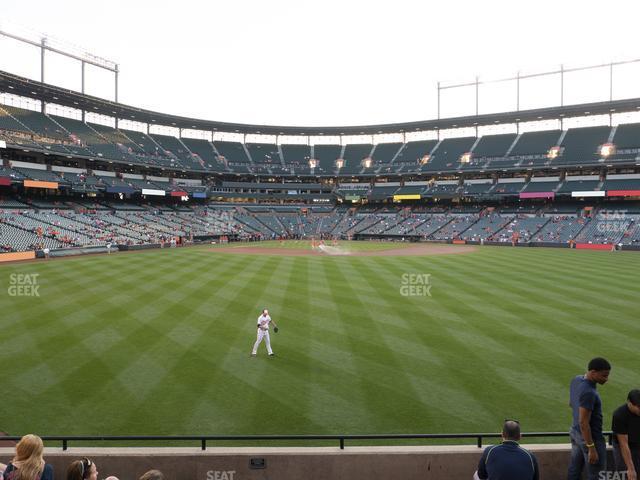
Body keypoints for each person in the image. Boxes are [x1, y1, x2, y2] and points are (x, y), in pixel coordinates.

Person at [568, 357, 611, 480]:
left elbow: (571, 403)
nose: (606, 379)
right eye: (604, 376)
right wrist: (591, 447)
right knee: (597, 475)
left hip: (575, 432)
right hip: (590, 437)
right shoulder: (589, 392)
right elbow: (584, 422)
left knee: (574, 470)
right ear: (593, 372)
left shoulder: (576, 380)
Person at [475, 420, 539, 480]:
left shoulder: (489, 451)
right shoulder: (530, 456)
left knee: (476, 475)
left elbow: (481, 475)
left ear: (502, 434)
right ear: (520, 436)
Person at [612, 389, 640, 480]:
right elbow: (623, 444)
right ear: (629, 402)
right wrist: (630, 468)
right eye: (638, 407)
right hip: (623, 446)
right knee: (625, 473)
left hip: (637, 442)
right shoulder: (619, 415)